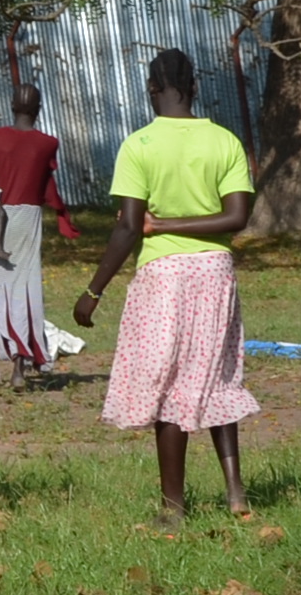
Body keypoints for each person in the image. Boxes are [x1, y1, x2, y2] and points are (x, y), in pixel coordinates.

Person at [74, 48, 260, 524]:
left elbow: (130, 226)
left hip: (164, 277)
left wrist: (93, 291)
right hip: (216, 272)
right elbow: (237, 217)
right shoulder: (225, 142)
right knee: (217, 375)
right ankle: (235, 491)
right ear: (193, 86)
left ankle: (173, 508)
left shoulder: (139, 146)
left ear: (152, 89)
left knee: (170, 385)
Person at [0, 84, 70, 387]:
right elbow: (46, 183)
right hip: (28, 217)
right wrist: (62, 214)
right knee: (24, 290)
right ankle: (19, 367)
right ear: (39, 107)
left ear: (12, 104)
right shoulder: (48, 143)